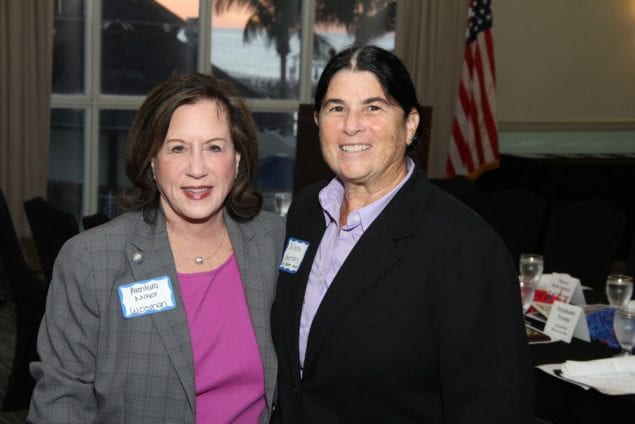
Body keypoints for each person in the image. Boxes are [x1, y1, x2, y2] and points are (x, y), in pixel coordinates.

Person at [271, 45, 533, 423]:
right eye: (336, 107)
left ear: (410, 124)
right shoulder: (306, 212)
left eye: (373, 107)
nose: (351, 125)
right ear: (318, 121)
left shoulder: (465, 248)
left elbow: (494, 407)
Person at [28, 73, 285, 423]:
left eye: (214, 147)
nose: (197, 169)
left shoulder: (274, 243)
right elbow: (62, 398)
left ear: (237, 159)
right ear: (151, 161)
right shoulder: (92, 260)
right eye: (177, 148)